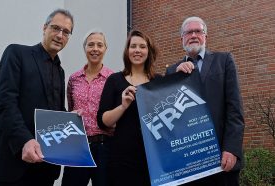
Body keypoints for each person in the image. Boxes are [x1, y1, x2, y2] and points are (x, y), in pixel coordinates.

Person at [0, 9, 74, 186]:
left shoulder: (60, 71)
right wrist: (25, 140)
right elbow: (5, 104)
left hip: (46, 163)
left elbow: (54, 110)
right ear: (44, 27)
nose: (60, 35)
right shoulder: (16, 53)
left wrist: (70, 118)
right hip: (15, 158)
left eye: (66, 32)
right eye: (55, 28)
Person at [166, 16, 245, 186]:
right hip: (188, 163)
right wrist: (175, 78)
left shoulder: (224, 61)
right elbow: (171, 117)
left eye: (198, 31)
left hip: (221, 160)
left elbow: (235, 110)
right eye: (188, 32)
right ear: (182, 39)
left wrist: (231, 149)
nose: (193, 35)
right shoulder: (172, 71)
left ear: (205, 37)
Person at [97, 30, 159, 186]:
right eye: (133, 46)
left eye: (142, 46)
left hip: (152, 158)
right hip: (122, 158)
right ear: (127, 51)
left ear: (149, 51)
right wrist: (123, 106)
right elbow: (103, 121)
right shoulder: (114, 80)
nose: (137, 50)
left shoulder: (158, 81)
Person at [61, 30, 114, 186]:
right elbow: (70, 108)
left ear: (105, 49)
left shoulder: (113, 78)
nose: (95, 49)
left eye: (100, 45)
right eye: (90, 45)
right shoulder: (74, 78)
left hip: (105, 147)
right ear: (84, 48)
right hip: (77, 146)